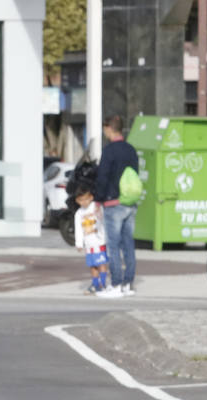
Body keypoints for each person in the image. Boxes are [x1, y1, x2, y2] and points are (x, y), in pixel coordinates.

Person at [94, 114, 139, 297]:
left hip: (113, 203)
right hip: (130, 202)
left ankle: (116, 284)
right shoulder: (131, 150)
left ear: (108, 128)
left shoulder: (109, 150)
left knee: (113, 245)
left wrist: (98, 200)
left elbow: (103, 176)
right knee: (128, 243)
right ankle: (128, 284)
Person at [71, 183, 111, 296]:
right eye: (80, 200)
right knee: (92, 265)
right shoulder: (79, 214)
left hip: (99, 241)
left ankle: (103, 283)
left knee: (101, 263)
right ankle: (95, 284)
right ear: (77, 201)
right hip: (89, 244)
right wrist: (79, 243)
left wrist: (104, 235)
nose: (83, 202)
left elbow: (102, 219)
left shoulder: (96, 207)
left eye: (86, 199)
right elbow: (78, 228)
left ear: (91, 197)